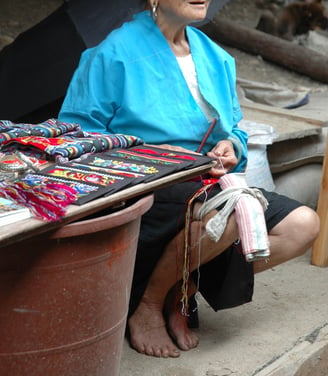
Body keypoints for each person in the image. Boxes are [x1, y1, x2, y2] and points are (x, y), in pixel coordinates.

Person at [58, 0, 320, 359]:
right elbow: (78, 135)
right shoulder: (112, 55)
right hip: (148, 185)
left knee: (303, 224)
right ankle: (148, 306)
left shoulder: (214, 57)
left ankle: (178, 285)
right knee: (227, 215)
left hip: (206, 180)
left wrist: (230, 145)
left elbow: (235, 130)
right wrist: (150, 152)